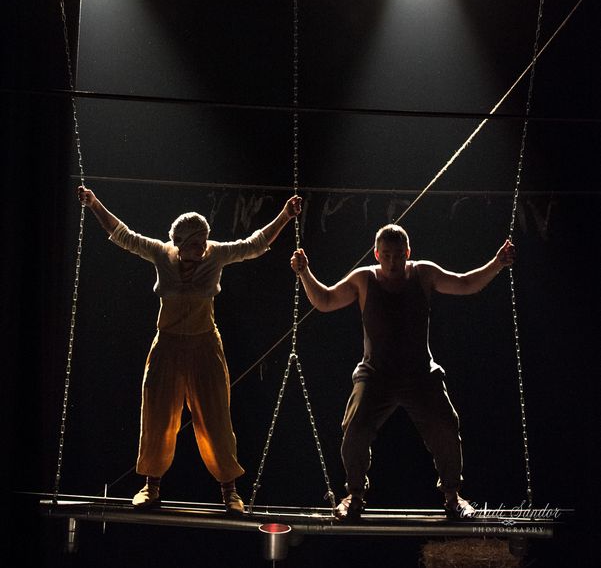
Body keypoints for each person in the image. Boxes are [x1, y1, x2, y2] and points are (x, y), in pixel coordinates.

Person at [78, 185, 302, 512]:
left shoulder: (216, 254)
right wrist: (94, 203)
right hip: (167, 345)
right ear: (179, 244)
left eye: (204, 241)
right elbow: (123, 235)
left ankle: (229, 490)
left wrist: (285, 215)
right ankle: (151, 486)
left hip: (204, 344)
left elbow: (254, 245)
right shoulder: (161, 253)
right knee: (158, 416)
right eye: (195, 243)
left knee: (215, 418)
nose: (202, 248)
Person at [290, 224, 515, 522]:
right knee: (354, 429)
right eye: (386, 255)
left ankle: (452, 496)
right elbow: (326, 300)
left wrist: (498, 262)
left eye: (398, 255)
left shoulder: (424, 273)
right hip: (375, 374)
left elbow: (465, 283)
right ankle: (354, 495)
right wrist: (304, 272)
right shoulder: (364, 278)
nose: (392, 261)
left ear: (408, 253)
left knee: (446, 427)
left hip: (420, 373)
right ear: (376, 254)